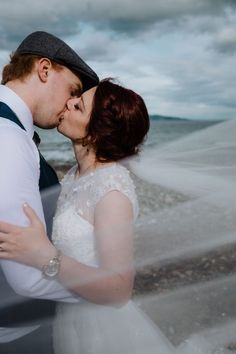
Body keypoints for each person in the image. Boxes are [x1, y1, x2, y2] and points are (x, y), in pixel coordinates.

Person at [0, 79, 176, 354]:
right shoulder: (75, 175)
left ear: (95, 133)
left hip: (101, 330)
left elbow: (118, 291)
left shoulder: (112, 190)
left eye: (78, 106)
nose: (68, 102)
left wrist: (45, 255)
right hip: (68, 318)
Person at [0, 31, 99, 354]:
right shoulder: (9, 138)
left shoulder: (14, 131)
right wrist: (103, 291)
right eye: (73, 91)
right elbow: (25, 278)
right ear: (44, 70)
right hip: (18, 335)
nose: (70, 105)